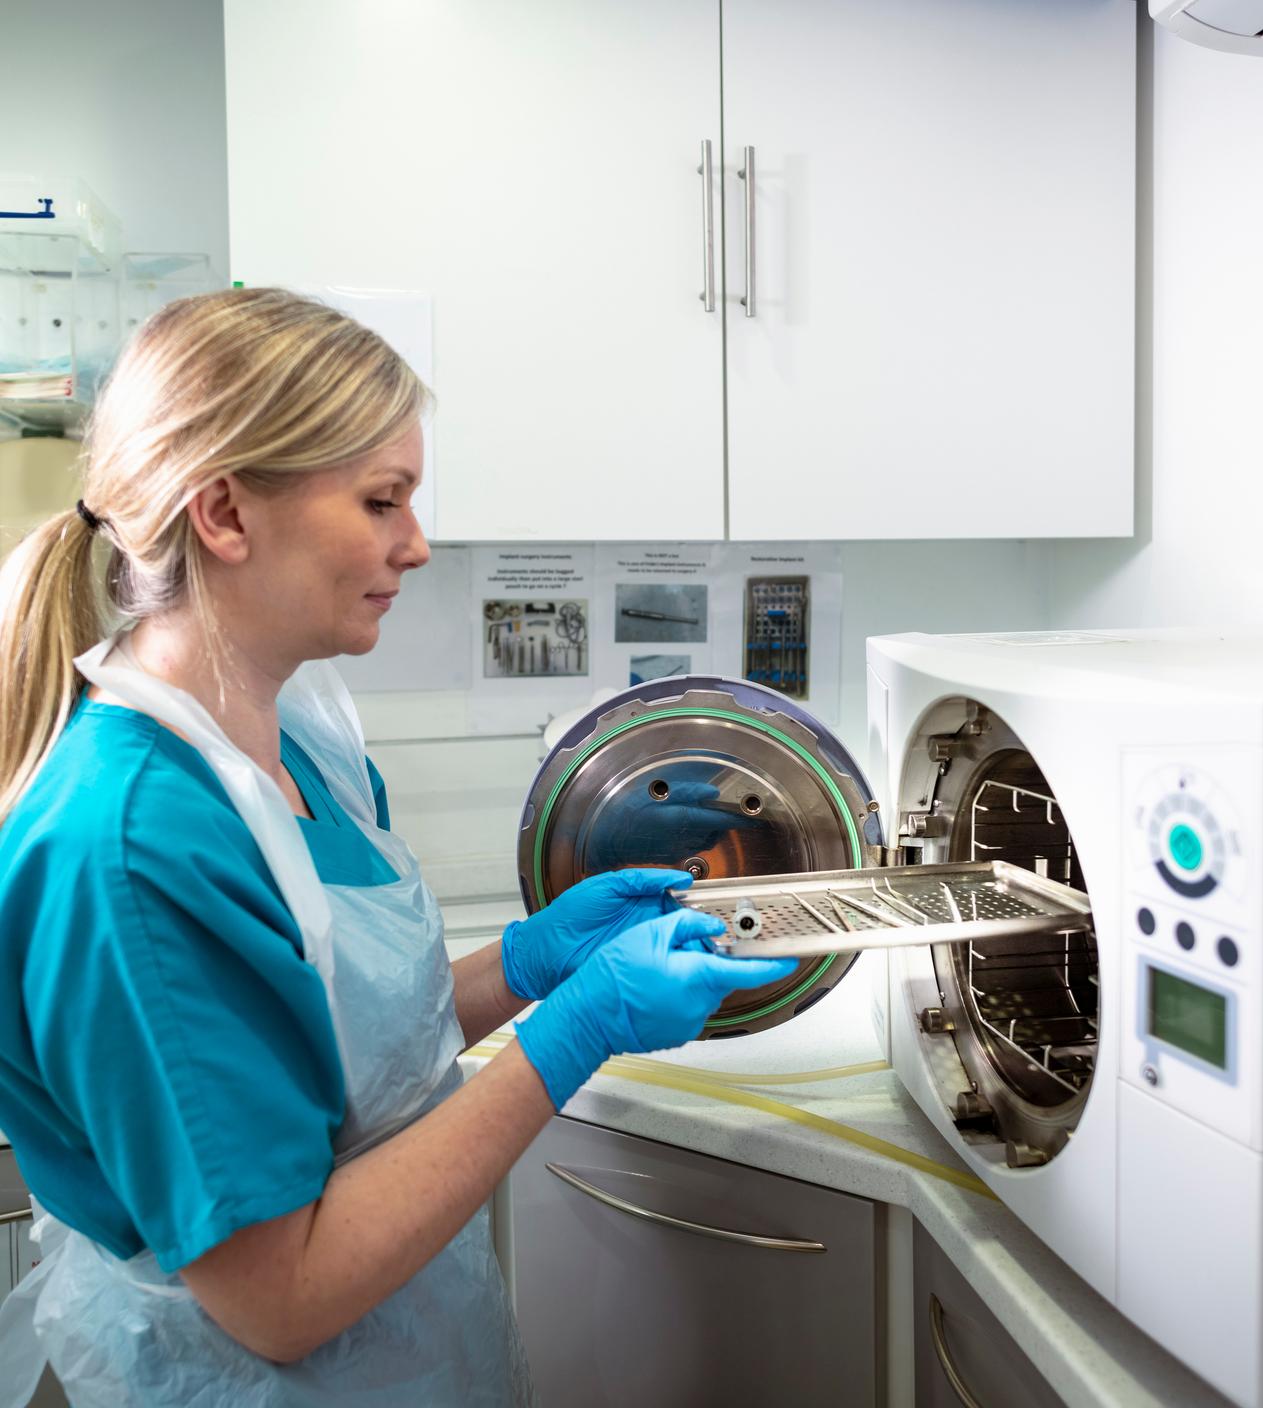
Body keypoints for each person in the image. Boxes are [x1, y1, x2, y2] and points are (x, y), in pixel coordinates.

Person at [0, 289, 795, 1407]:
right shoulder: (128, 849)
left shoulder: (296, 738)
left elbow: (335, 1041)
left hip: (407, 1349)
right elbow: (279, 1295)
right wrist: (580, 1027)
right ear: (224, 513)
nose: (415, 546)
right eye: (382, 500)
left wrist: (528, 965)